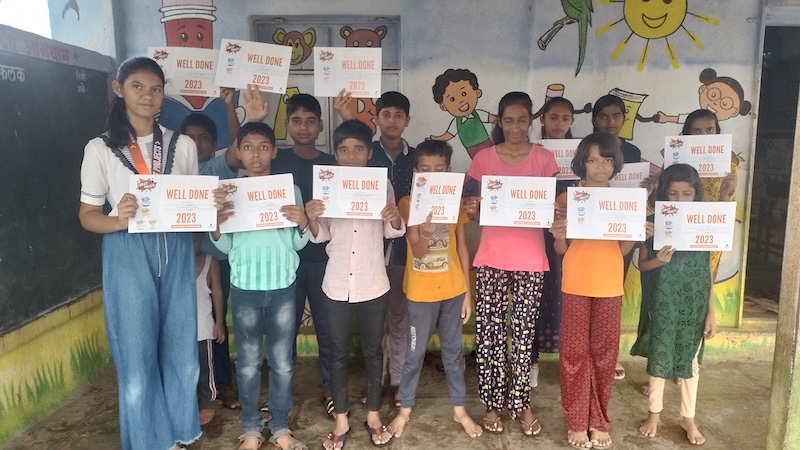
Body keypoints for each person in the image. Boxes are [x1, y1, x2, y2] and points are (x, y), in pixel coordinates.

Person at [78, 56, 201, 450]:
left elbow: (192, 205)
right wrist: (117, 219)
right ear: (119, 89)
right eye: (137, 86)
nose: (147, 96)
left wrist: (210, 204)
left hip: (176, 247)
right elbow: (87, 216)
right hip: (127, 250)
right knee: (136, 351)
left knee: (182, 348)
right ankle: (149, 441)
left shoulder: (183, 145)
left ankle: (180, 434)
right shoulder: (99, 148)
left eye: (156, 88)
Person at [461, 91, 558, 437]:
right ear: (498, 122)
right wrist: (472, 208)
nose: (515, 126)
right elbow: (470, 203)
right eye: (508, 120)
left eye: (521, 119)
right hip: (491, 257)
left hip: (532, 259)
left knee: (523, 334)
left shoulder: (545, 160)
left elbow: (551, 207)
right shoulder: (484, 160)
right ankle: (492, 404)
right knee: (489, 335)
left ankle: (522, 403)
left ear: (529, 120)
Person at [549, 132, 653, 449]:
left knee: (605, 356)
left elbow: (621, 252)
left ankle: (599, 421)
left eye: (607, 160)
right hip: (576, 283)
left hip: (609, 285)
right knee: (574, 355)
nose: (600, 167)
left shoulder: (623, 200)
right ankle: (578, 422)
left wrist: (637, 232)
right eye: (593, 160)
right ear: (582, 162)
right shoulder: (568, 199)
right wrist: (557, 232)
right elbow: (562, 249)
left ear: (615, 163)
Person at [305, 119, 405, 449]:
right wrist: (313, 218)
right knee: (336, 353)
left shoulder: (383, 185)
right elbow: (323, 237)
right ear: (335, 154)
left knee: (374, 352)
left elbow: (393, 232)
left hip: (373, 280)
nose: (350, 156)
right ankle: (342, 418)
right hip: (336, 283)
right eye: (344, 150)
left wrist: (393, 217)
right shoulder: (326, 187)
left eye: (358, 149)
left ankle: (373, 414)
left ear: (369, 152)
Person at [211, 122, 309, 450]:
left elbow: (296, 245)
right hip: (245, 288)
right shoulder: (230, 193)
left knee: (282, 361)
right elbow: (225, 250)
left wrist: (303, 222)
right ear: (238, 152)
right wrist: (216, 225)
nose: (256, 154)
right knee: (249, 361)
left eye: (263, 146)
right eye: (248, 147)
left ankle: (280, 427)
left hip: (282, 286)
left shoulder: (289, 190)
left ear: (274, 151)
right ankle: (252, 428)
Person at [181, 85, 269, 411]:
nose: (197, 143)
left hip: (219, 260)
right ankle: (192, 388)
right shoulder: (171, 174)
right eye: (189, 137)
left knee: (217, 324)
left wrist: (233, 107)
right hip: (181, 263)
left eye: (204, 137)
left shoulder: (217, 168)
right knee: (188, 327)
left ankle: (224, 384)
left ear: (213, 142)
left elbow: (238, 148)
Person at [387, 140, 482, 439]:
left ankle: (459, 410)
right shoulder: (407, 203)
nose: (432, 173)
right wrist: (426, 233)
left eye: (439, 169)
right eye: (425, 169)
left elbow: (463, 247)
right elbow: (416, 252)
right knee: (414, 354)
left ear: (449, 171)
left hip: (453, 289)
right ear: (416, 172)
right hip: (420, 293)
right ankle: (405, 410)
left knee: (453, 353)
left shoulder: (456, 203)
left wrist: (467, 291)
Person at [334, 90, 415, 408]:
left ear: (407, 120)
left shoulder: (416, 156)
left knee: (399, 319)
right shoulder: (369, 154)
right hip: (367, 252)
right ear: (377, 119)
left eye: (399, 115)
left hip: (406, 248)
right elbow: (349, 156)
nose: (392, 121)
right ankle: (375, 382)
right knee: (374, 327)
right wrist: (346, 117)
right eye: (386, 114)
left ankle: (397, 381)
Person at [631, 164, 718, 445]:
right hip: (663, 302)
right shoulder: (652, 223)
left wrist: (711, 314)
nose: (679, 200)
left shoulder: (705, 226)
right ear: (662, 194)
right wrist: (660, 260)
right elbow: (643, 265)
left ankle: (687, 417)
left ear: (696, 195)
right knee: (661, 354)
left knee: (690, 362)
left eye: (687, 193)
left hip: (694, 305)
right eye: (673, 193)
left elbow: (707, 274)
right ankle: (654, 413)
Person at [271, 93, 337, 417]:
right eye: (296, 120)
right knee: (285, 332)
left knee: (327, 330)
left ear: (321, 125)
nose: (304, 127)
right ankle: (281, 398)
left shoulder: (334, 165)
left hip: (326, 259)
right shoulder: (275, 163)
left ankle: (332, 391)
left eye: (311, 120)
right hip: (286, 261)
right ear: (287, 125)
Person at [591, 94, 641, 381]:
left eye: (616, 115)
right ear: (594, 120)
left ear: (624, 118)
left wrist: (649, 184)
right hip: (588, 235)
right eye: (603, 116)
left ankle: (609, 355)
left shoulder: (633, 152)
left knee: (612, 294)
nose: (610, 121)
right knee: (583, 295)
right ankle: (586, 352)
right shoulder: (587, 147)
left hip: (619, 233)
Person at [531, 96, 577, 389]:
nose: (558, 123)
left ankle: (568, 362)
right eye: (553, 117)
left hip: (572, 237)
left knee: (570, 297)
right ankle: (532, 360)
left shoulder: (582, 155)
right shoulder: (534, 153)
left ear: (571, 122)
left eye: (564, 118)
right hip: (537, 235)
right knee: (538, 295)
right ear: (543, 120)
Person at [192, 233, 226, 426]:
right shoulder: (172, 262)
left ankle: (208, 402)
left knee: (206, 369)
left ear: (202, 237)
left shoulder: (210, 262)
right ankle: (188, 403)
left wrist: (219, 322)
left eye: (194, 237)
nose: (191, 241)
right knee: (186, 371)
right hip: (179, 332)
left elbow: (218, 292)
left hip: (204, 328)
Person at [429, 68, 497, 158]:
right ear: (443, 106)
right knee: (479, 163)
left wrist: (508, 120)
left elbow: (493, 118)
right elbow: (449, 134)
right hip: (471, 148)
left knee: (492, 159)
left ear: (478, 92)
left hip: (486, 143)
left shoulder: (479, 114)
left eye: (464, 94)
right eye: (452, 99)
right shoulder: (456, 122)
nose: (461, 101)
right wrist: (438, 139)